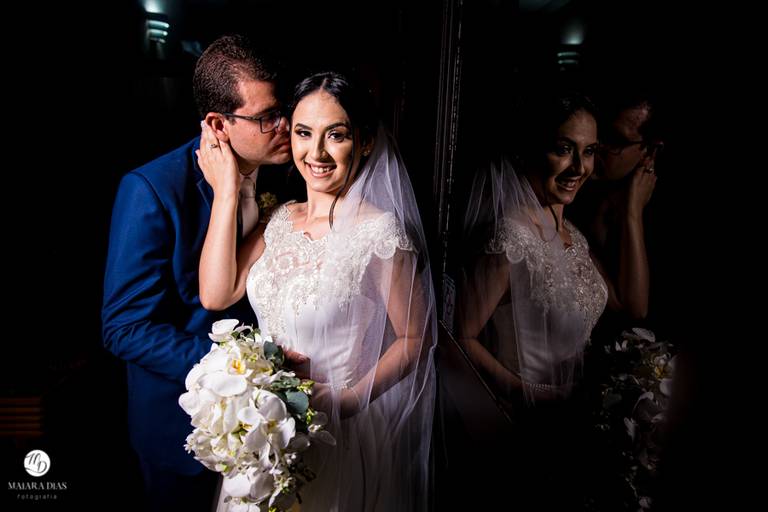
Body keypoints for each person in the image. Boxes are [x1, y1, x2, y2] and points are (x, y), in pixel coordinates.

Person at [197, 72, 437, 511]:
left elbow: (416, 339)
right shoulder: (282, 219)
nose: (317, 153)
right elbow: (216, 294)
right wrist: (227, 191)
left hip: (337, 433)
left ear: (364, 143)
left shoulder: (380, 234)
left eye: (337, 136)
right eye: (305, 133)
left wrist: (345, 401)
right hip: (264, 435)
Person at [102, 34, 296, 511]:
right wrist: (242, 373)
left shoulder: (292, 172)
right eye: (267, 116)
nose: (286, 126)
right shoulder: (151, 190)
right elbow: (124, 328)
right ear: (218, 124)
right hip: (182, 430)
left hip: (276, 427)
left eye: (285, 109)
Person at [572, 89, 664, 325]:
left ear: (651, 149)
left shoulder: (659, 208)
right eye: (599, 132)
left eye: (615, 140)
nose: (598, 146)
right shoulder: (570, 191)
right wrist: (632, 211)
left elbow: (637, 309)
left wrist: (632, 212)